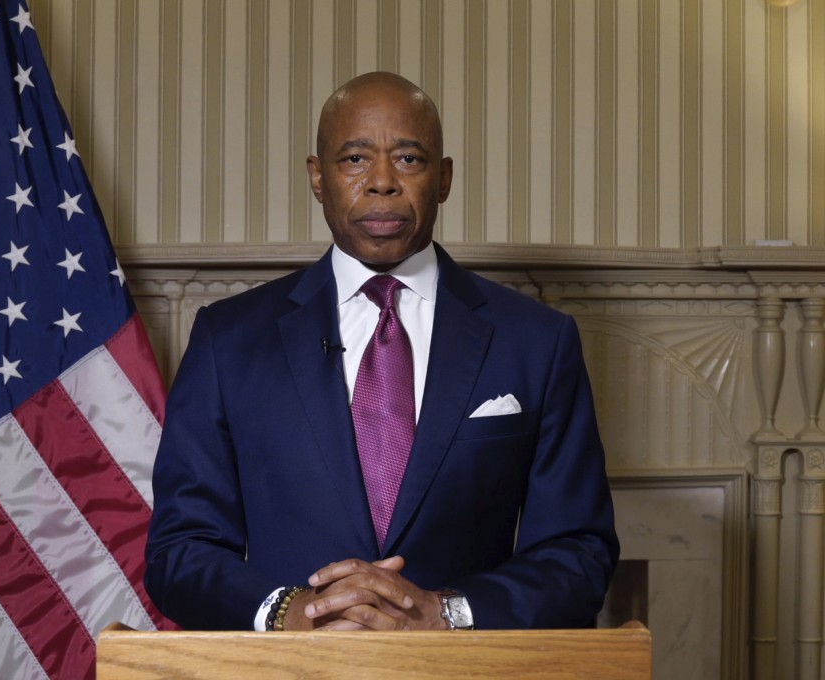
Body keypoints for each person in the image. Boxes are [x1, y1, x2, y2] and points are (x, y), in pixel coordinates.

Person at [144, 72, 619, 632]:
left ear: (443, 178)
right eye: (354, 159)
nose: (382, 183)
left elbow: (578, 552)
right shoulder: (229, 339)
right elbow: (179, 552)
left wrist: (446, 614)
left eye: (410, 159)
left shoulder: (537, 340)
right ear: (317, 177)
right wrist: (293, 612)